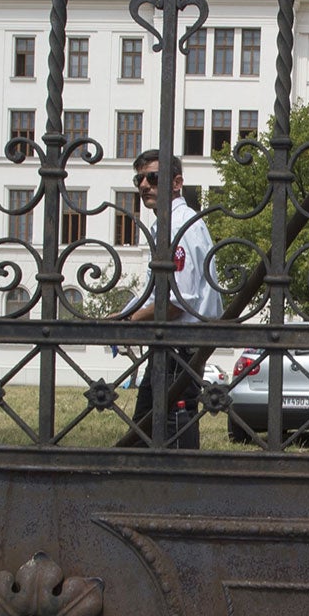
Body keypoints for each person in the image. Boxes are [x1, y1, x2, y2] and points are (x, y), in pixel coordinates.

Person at [115, 150, 221, 448]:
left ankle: (180, 489)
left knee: (171, 430)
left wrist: (130, 320)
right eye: (140, 179)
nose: (144, 185)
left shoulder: (178, 226)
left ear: (177, 183)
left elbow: (178, 302)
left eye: (153, 177)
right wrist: (129, 311)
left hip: (180, 346)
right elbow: (162, 292)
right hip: (171, 345)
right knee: (146, 430)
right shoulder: (168, 224)